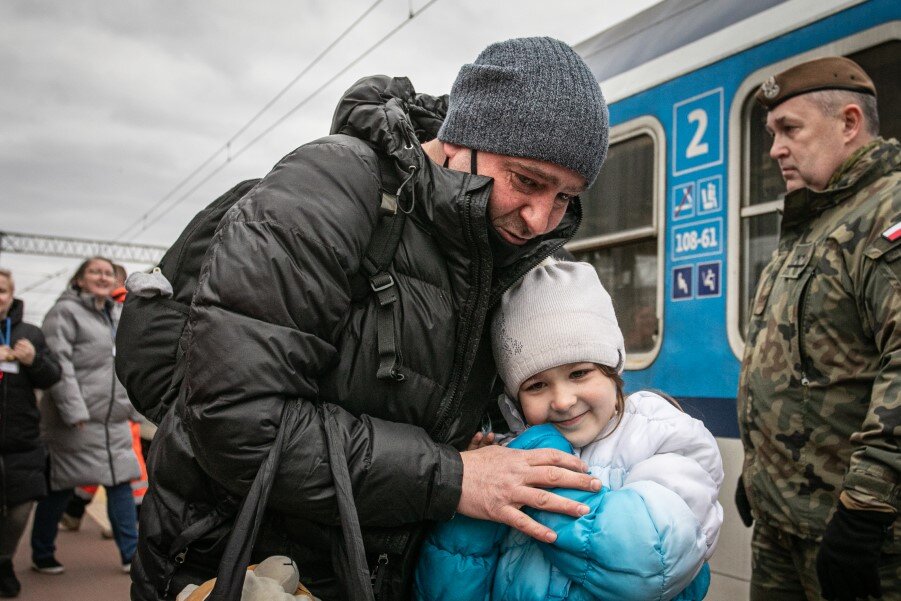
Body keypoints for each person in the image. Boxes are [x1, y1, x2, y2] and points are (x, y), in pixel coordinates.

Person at [133, 37, 610, 600]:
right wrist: (454, 478)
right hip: (246, 568)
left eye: (565, 197)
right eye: (527, 181)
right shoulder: (326, 191)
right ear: (460, 141)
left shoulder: (489, 250)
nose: (539, 219)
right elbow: (237, 421)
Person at [413, 261, 724, 600]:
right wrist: (473, 496)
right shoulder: (507, 456)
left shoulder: (664, 436)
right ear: (513, 401)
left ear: (612, 367)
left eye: (579, 374)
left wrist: (539, 457)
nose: (562, 400)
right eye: (536, 385)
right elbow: (447, 588)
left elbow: (652, 560)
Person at [737, 56, 900, 601]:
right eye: (771, 132)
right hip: (785, 524)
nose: (775, 148)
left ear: (849, 123)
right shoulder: (811, 222)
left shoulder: (887, 209)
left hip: (856, 531)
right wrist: (759, 468)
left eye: (790, 129)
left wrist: (866, 507)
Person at [31, 257, 141, 574]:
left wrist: (133, 406)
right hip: (76, 419)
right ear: (79, 280)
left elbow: (130, 362)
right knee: (61, 486)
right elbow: (59, 363)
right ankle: (42, 552)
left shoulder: (119, 314)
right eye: (95, 271)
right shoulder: (63, 313)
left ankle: (130, 555)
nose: (103, 276)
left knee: (121, 483)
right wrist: (72, 408)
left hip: (114, 419)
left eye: (108, 272)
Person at [0, 269, 61, 597]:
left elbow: (52, 376)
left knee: (19, 510)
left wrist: (33, 359)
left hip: (20, 440)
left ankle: (3, 559)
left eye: (1, 291)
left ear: (10, 295)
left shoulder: (29, 334)